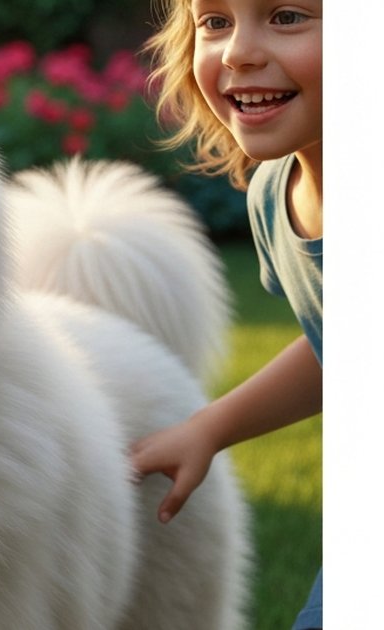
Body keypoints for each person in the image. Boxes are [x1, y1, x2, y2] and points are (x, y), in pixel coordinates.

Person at [130, 0, 322, 628]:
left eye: (288, 16)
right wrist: (209, 429)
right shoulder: (273, 193)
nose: (238, 51)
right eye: (214, 22)